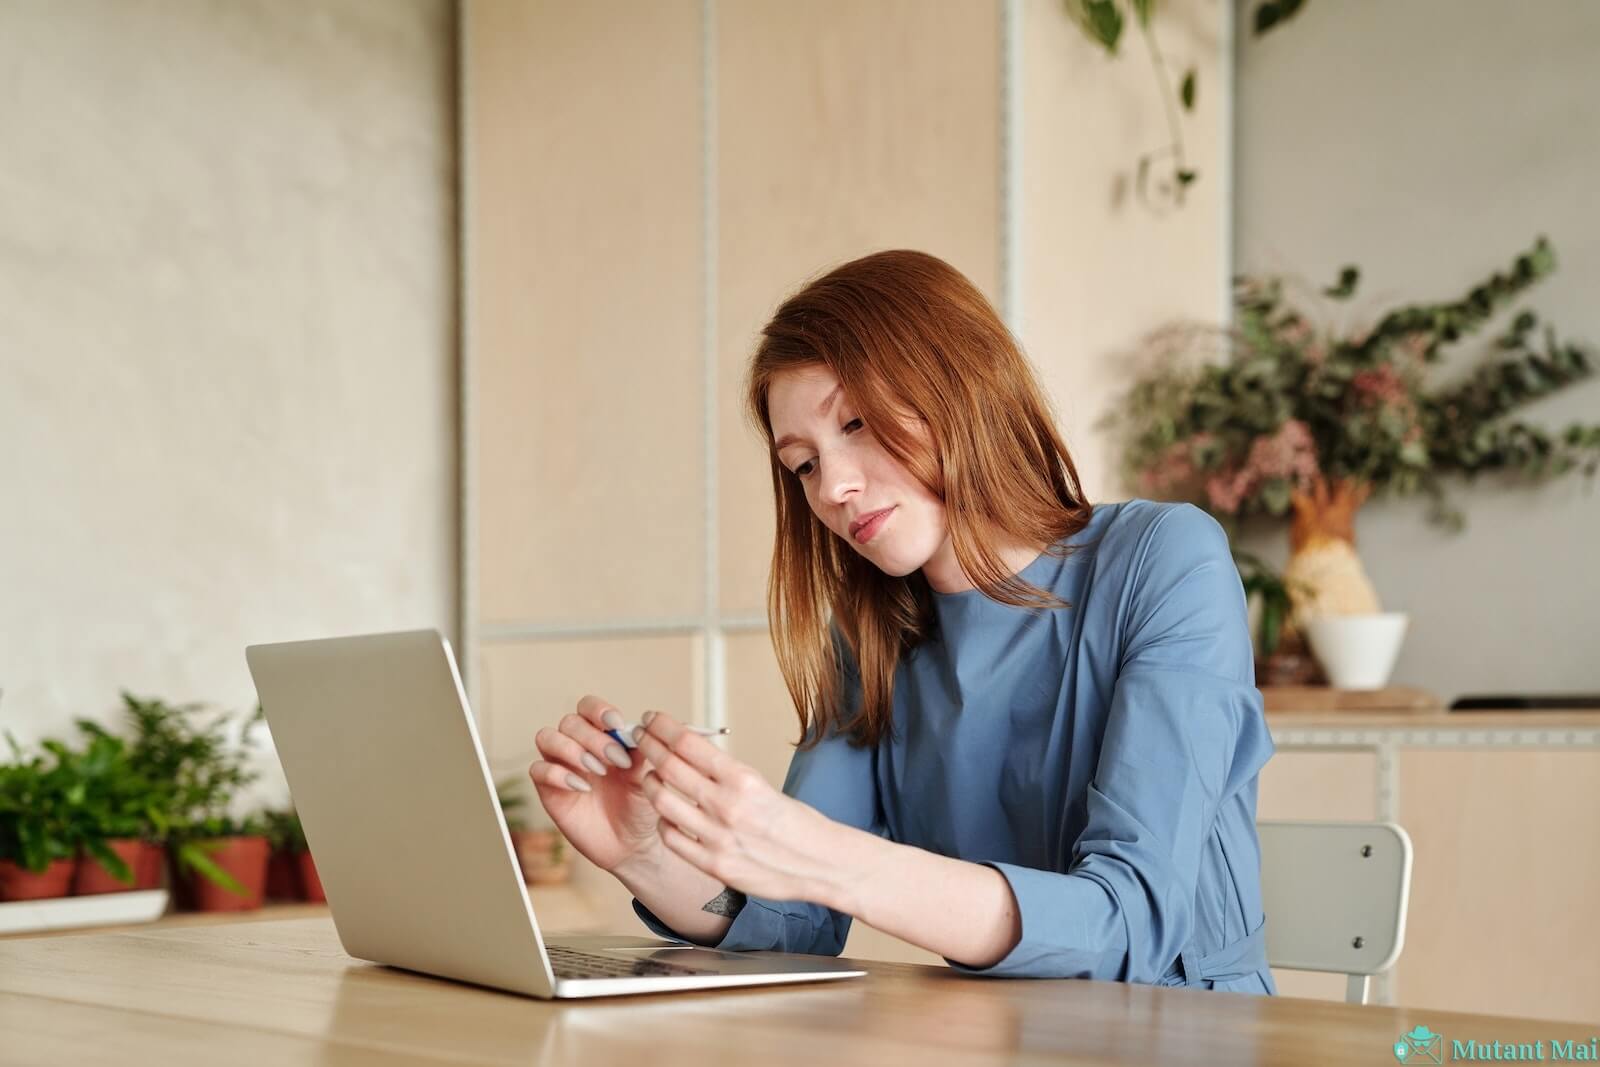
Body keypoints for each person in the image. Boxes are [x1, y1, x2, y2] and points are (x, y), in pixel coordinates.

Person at [528, 249, 1277, 993]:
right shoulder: (871, 636)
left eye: (855, 423)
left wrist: (826, 853)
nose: (836, 488)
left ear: (959, 387)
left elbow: (1132, 922)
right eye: (805, 464)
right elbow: (798, 923)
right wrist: (646, 856)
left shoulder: (1165, 560)